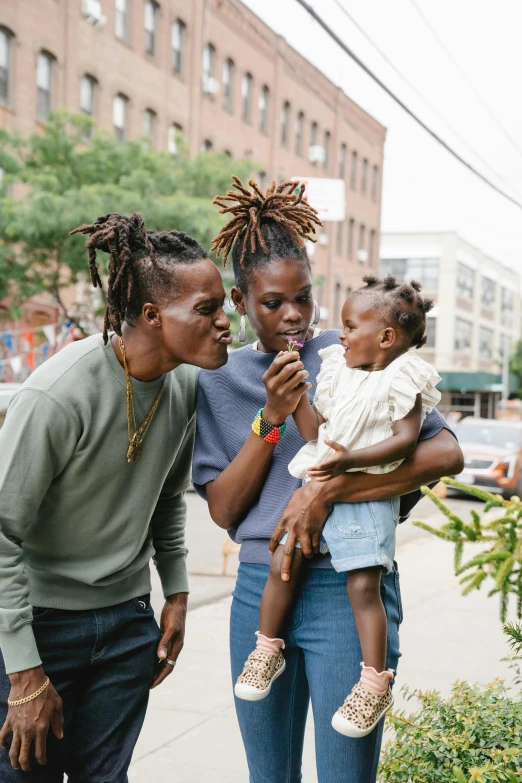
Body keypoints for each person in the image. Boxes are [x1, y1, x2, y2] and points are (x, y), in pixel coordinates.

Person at [192, 177, 464, 782]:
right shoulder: (218, 380)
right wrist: (272, 417)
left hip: (348, 587)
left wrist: (327, 491)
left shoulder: (353, 353)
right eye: (272, 302)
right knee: (270, 774)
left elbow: (445, 453)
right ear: (241, 301)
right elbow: (224, 511)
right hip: (263, 588)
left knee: (345, 772)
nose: (294, 315)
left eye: (305, 298)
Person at [0, 212, 232, 781]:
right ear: (152, 316)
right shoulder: (57, 395)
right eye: (207, 309)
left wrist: (176, 593)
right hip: (40, 625)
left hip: (128, 626)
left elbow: (166, 498)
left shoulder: (184, 385)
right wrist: (26, 675)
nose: (226, 323)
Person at [234, 274, 441, 742]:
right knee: (282, 561)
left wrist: (350, 461)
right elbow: (315, 433)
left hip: (364, 493)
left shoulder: (404, 376)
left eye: (350, 327)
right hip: (319, 478)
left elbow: (406, 441)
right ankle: (267, 649)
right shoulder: (336, 369)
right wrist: (294, 395)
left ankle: (373, 682)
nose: (340, 334)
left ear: (386, 338)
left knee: (364, 584)